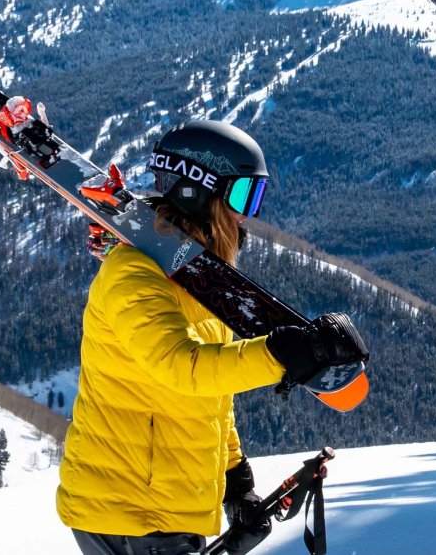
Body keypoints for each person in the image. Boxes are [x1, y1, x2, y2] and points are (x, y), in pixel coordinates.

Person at [56, 120, 368, 555]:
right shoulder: (133, 274)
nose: (245, 215)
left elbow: (208, 398)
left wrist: (234, 480)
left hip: (159, 510)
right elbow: (185, 368)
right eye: (240, 195)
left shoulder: (199, 285)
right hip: (130, 510)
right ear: (195, 192)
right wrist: (280, 353)